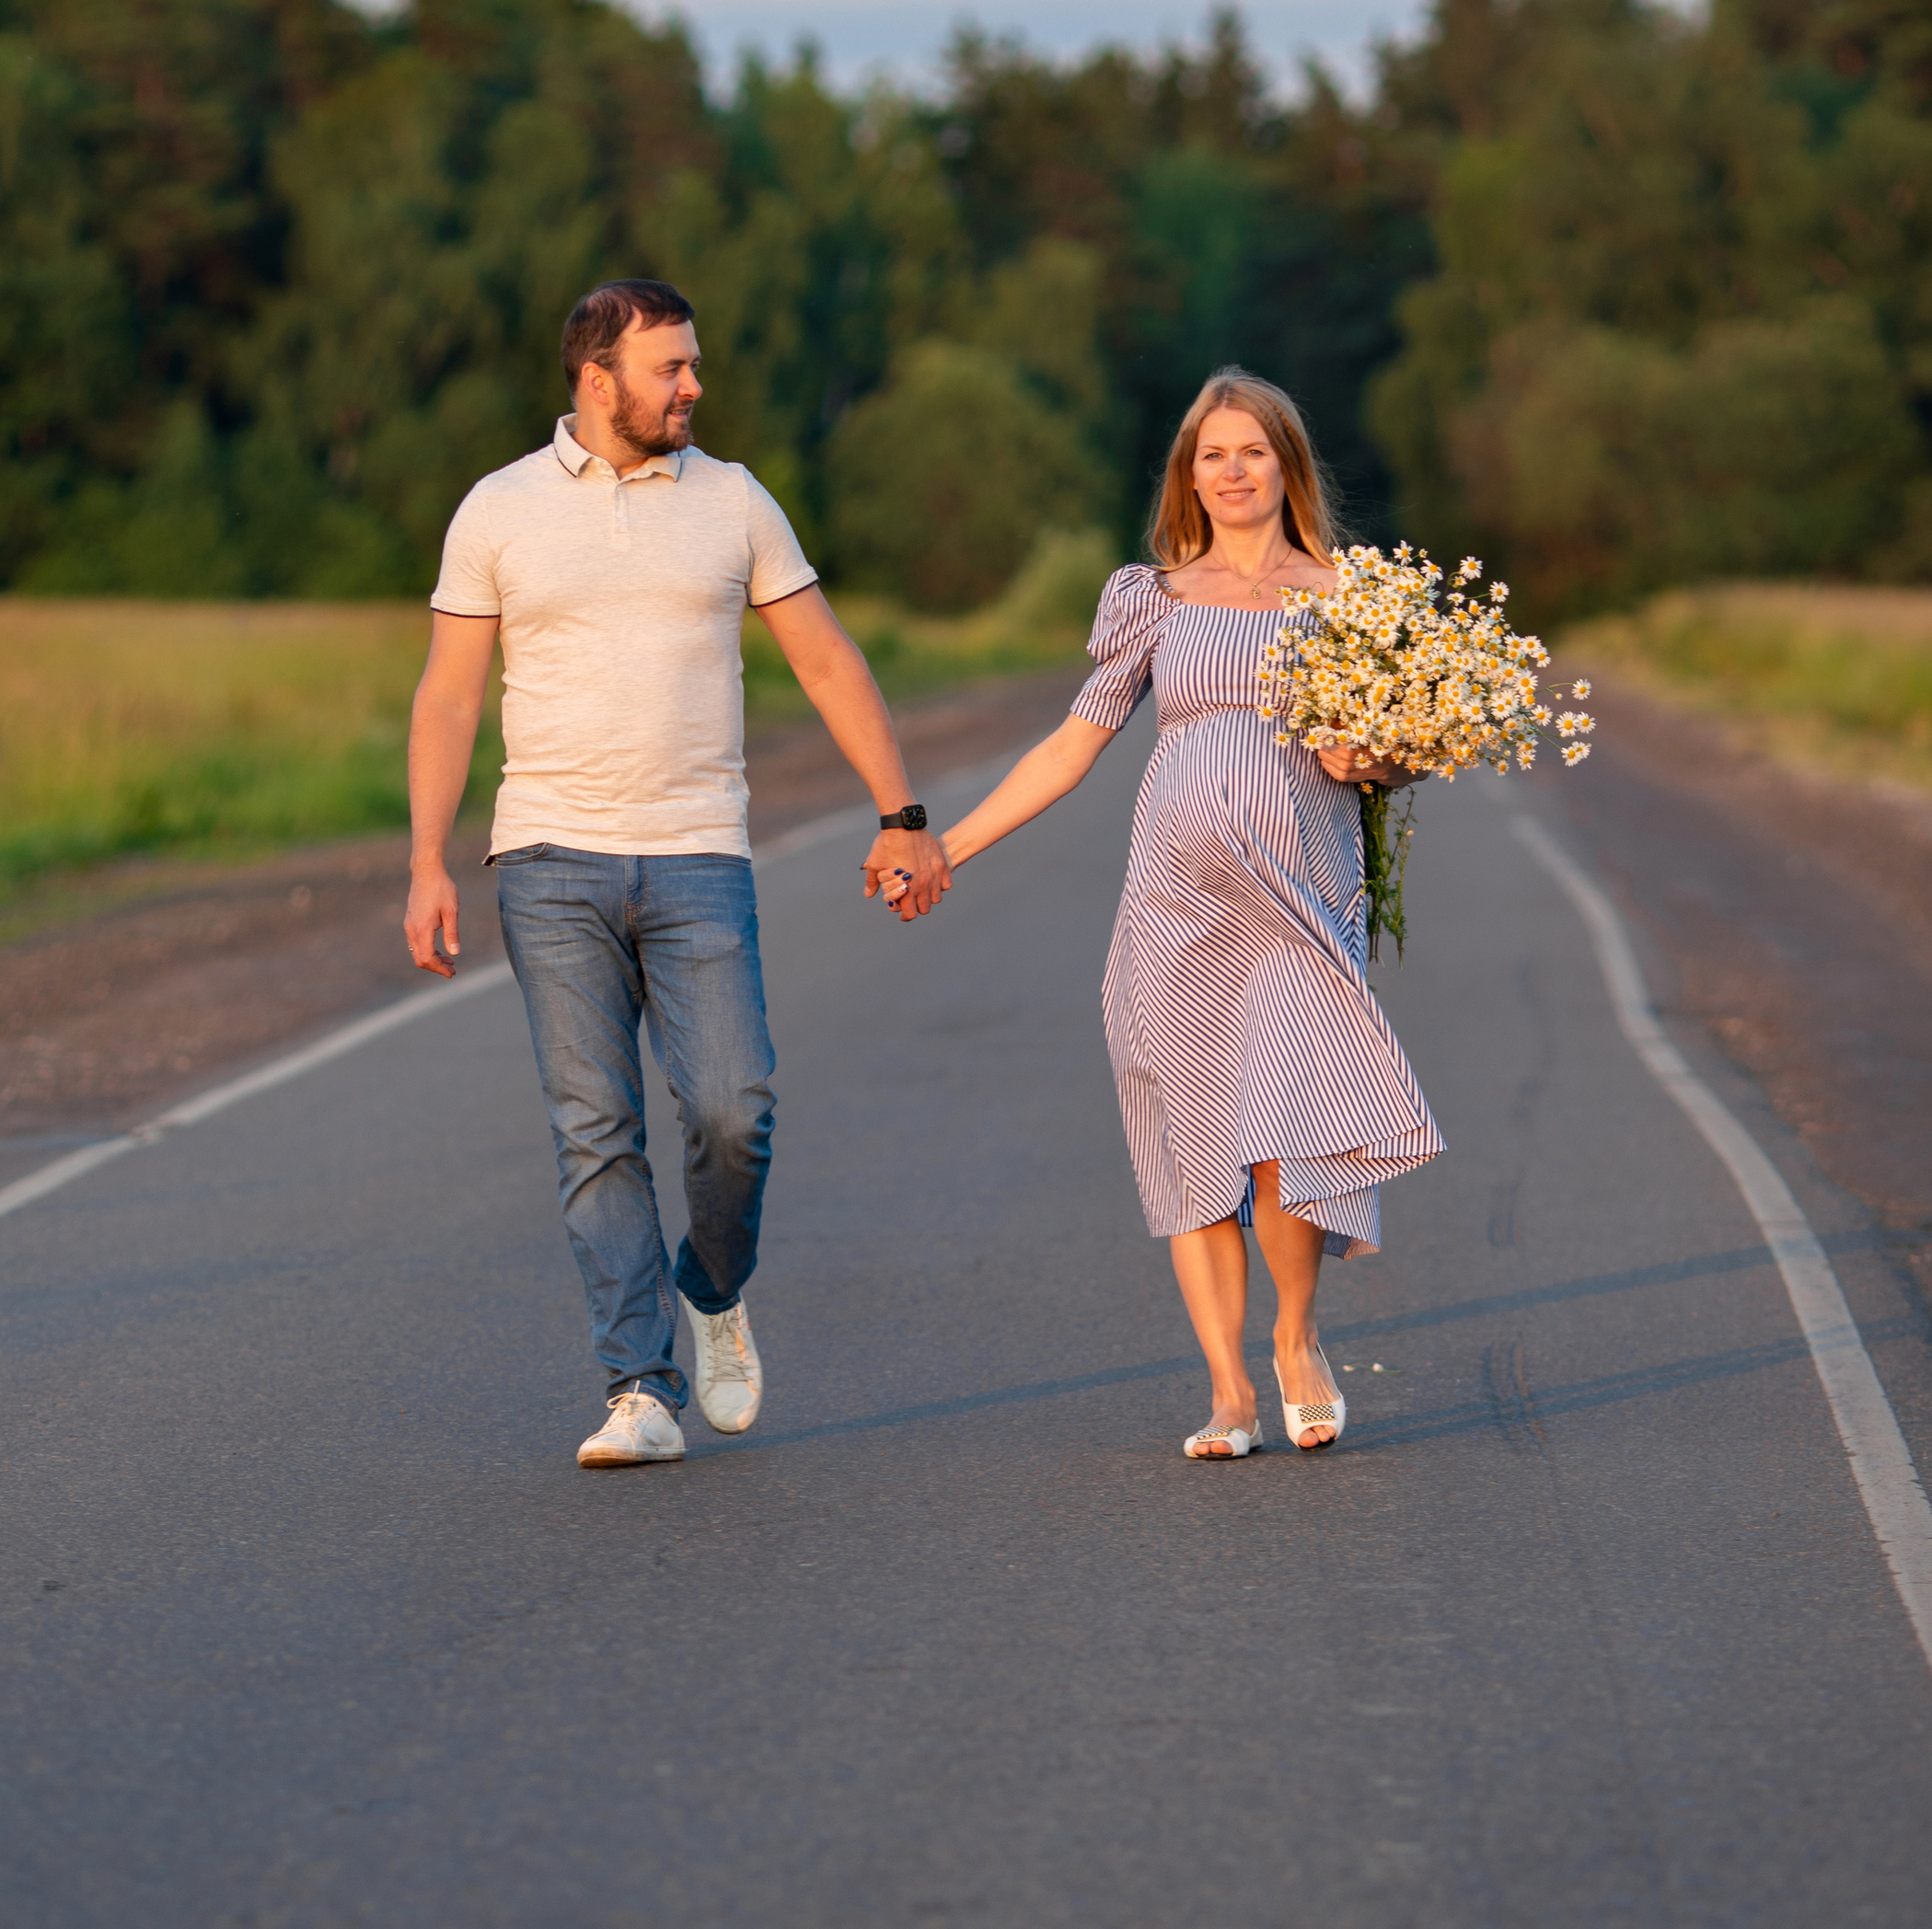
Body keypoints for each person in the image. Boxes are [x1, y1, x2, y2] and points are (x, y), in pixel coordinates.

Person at [405, 279, 950, 1468]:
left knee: (732, 1110)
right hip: (547, 860)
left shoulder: (735, 502)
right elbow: (449, 695)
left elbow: (825, 658)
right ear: (598, 380)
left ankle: (711, 1284)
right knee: (596, 1130)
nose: (695, 387)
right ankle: (638, 1387)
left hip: (701, 851)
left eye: (696, 365)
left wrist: (901, 813)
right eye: (672, 369)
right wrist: (426, 861)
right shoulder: (496, 511)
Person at [924, 371, 1441, 1458]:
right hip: (1175, 902)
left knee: (1283, 1124)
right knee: (1194, 1134)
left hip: (1301, 891)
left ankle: (1296, 1342)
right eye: (1213, 454)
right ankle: (1228, 1391)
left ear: (1287, 465)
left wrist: (1377, 757)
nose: (1234, 469)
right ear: (1187, 474)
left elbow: (1404, 754)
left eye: (1254, 450)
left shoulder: (1349, 593)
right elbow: (1074, 742)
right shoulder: (1151, 596)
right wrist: (950, 845)